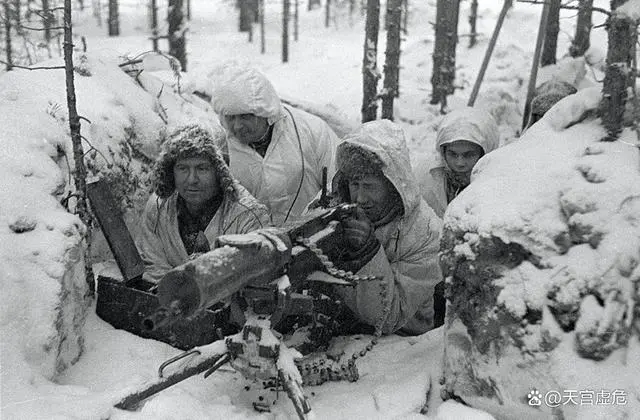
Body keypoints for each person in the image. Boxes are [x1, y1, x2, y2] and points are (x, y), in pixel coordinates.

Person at [325, 120, 443, 335]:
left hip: (403, 342)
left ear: (392, 185)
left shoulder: (425, 232)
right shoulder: (335, 205)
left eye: (369, 186)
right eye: (354, 185)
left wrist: (367, 253)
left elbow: (391, 317)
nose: (360, 198)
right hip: (339, 331)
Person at [209, 64, 340, 226]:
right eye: (230, 117)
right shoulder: (219, 146)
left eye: (245, 117)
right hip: (251, 244)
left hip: (313, 234)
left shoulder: (311, 130)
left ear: (265, 112)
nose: (237, 126)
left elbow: (338, 181)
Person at [137, 124, 271, 283]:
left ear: (220, 172)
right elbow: (151, 265)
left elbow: (257, 277)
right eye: (182, 168)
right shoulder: (159, 206)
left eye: (202, 168)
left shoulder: (247, 216)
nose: (192, 180)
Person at [414, 107, 499, 219]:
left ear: (484, 153)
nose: (460, 163)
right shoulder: (424, 176)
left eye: (469, 155)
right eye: (453, 154)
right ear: (443, 152)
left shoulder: (498, 184)